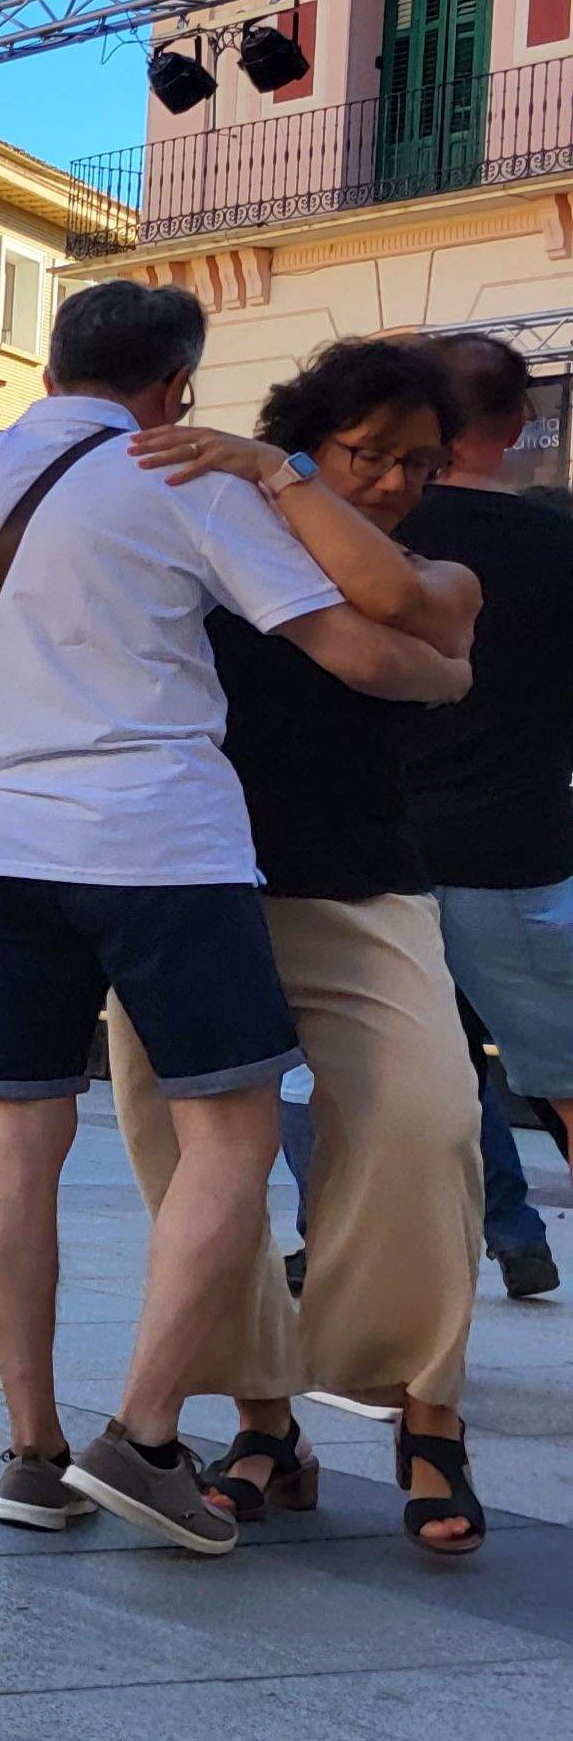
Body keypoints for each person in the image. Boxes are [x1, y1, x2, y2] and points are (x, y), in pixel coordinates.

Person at [0, 280, 469, 1556]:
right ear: (174, 383)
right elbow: (352, 646)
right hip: (161, 848)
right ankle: (145, 1434)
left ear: (50, 365)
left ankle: (30, 1452)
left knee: (19, 1143)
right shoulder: (183, 474)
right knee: (223, 1135)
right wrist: (449, 673)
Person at [119, 338, 492, 1555]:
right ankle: (264, 1422)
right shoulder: (205, 545)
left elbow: (408, 618)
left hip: (362, 891)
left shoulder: (442, 572)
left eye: (416, 462)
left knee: (425, 1124)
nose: (390, 481)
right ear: (313, 432)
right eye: (366, 453)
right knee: (183, 1162)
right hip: (189, 883)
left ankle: (422, 1411)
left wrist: (284, 479)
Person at [402, 332, 573, 1303]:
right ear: (518, 426)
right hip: (518, 848)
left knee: (410, 1081)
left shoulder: (374, 535)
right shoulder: (560, 544)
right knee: (561, 1075)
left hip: (379, 848)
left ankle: (414, 1276)